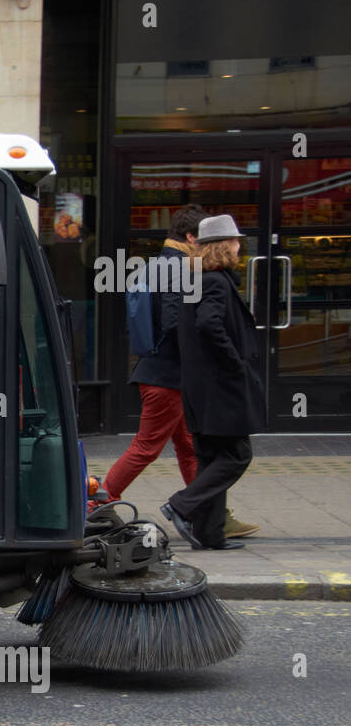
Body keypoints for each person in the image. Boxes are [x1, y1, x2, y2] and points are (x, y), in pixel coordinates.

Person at [103, 205, 259, 538]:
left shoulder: (159, 265)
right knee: (149, 446)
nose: (203, 247)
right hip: (169, 377)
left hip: (166, 374)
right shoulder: (180, 270)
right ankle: (101, 500)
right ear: (190, 237)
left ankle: (208, 514)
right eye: (200, 240)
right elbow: (180, 324)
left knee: (191, 447)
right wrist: (220, 360)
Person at [161, 214, 264, 550]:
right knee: (236, 455)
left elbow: (183, 329)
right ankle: (181, 504)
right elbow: (208, 324)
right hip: (221, 386)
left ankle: (210, 533)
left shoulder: (195, 279)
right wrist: (233, 363)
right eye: (235, 241)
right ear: (224, 245)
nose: (239, 246)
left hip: (199, 386)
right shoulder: (216, 282)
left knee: (210, 456)